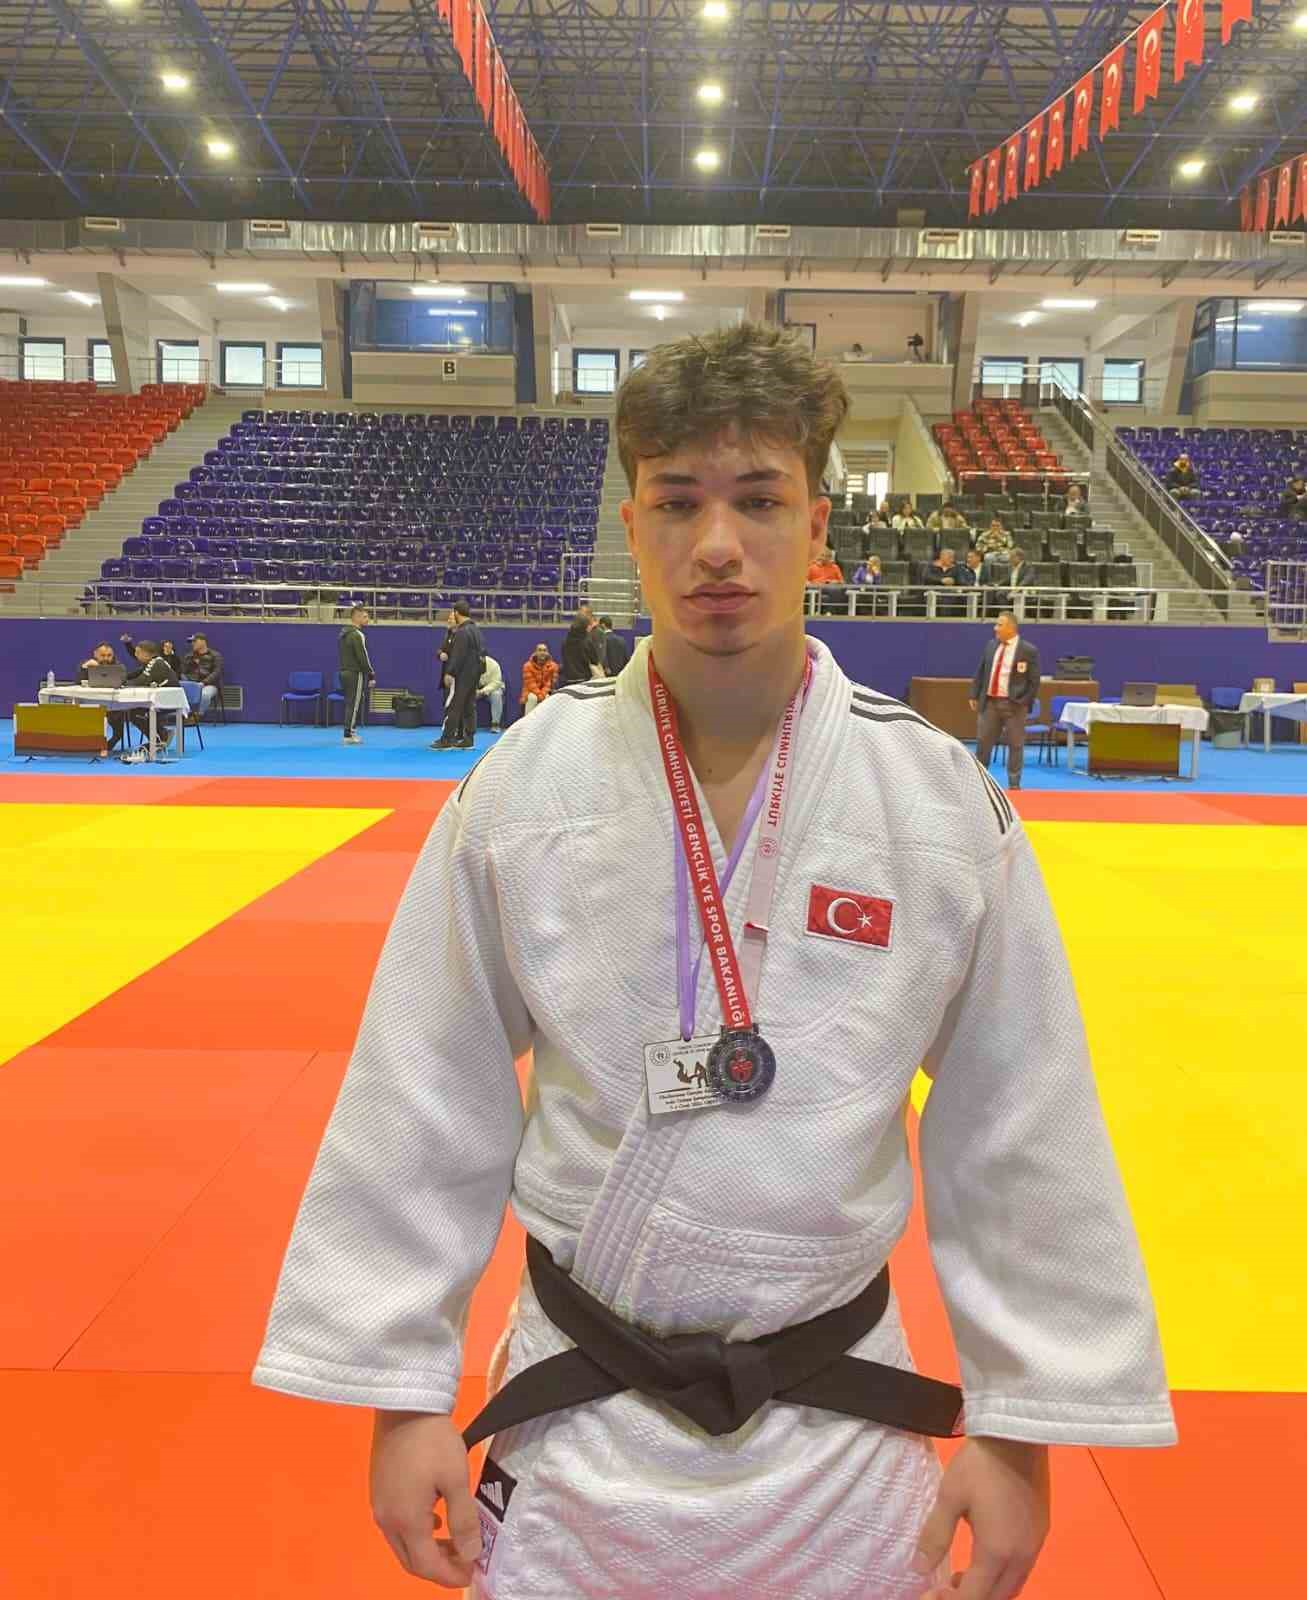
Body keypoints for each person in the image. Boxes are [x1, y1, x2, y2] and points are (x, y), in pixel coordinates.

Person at [253, 323, 1174, 1600]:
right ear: (631, 526)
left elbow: (1021, 1120)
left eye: (759, 499)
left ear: (818, 526)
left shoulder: (934, 801)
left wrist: (1020, 1429)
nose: (718, 544)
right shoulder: (523, 787)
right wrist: (399, 1394)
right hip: (576, 1416)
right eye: (677, 501)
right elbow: (422, 1090)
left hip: (840, 1427)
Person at [970, 610, 1041, 791]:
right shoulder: (991, 646)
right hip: (990, 703)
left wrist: (1023, 701)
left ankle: (1014, 783)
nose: (995, 628)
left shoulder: (1028, 650)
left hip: (1014, 705)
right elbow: (981, 671)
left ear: (1011, 628)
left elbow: (1034, 681)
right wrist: (974, 694)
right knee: (983, 742)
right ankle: (980, 781)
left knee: (1016, 745)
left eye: (1000, 625)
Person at [431, 602, 481, 751]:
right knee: (469, 707)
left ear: (457, 613)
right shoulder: (476, 630)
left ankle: (447, 740)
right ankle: (468, 739)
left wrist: (450, 672)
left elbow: (458, 655)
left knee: (453, 706)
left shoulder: (462, 632)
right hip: (474, 675)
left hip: (462, 676)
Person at [120, 639, 181, 761]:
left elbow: (141, 681)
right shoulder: (150, 663)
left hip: (170, 701)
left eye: (138, 652)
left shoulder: (156, 663)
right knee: (135, 711)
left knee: (135, 713)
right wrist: (119, 680)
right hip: (160, 699)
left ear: (146, 654)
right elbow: (132, 676)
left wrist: (122, 684)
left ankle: (159, 738)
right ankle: (161, 735)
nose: (135, 655)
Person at [78, 641, 130, 750]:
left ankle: (110, 743)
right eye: (102, 655)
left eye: (109, 655)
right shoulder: (87, 665)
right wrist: (84, 669)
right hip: (92, 704)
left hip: (114, 704)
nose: (106, 658)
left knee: (117, 723)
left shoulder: (119, 667)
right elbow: (78, 683)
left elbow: (123, 681)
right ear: (95, 654)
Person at [338, 605, 375, 746]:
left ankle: (348, 732)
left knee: (350, 704)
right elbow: (363, 657)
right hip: (354, 673)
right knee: (354, 705)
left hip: (343, 672)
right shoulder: (358, 635)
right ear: (357, 617)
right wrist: (371, 674)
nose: (368, 619)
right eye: (365, 616)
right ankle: (349, 734)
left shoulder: (343, 634)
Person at [181, 632, 224, 716]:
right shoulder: (189, 656)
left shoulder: (215, 655)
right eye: (192, 642)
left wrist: (204, 682)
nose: (193, 644)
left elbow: (217, 672)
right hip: (192, 684)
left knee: (205, 695)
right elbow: (183, 672)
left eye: (195, 641)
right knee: (180, 692)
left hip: (209, 684)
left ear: (203, 642)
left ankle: (198, 715)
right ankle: (186, 715)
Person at [559, 610, 604, 687]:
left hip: (567, 681)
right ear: (585, 627)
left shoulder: (565, 642)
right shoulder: (587, 642)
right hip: (583, 681)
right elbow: (595, 662)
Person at [520, 642, 558, 714]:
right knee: (532, 698)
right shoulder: (527, 666)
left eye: (544, 650)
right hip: (530, 692)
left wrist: (542, 695)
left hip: (545, 693)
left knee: (547, 698)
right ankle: (528, 720)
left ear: (547, 653)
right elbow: (531, 684)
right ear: (535, 652)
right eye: (540, 650)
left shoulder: (554, 666)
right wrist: (540, 695)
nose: (542, 653)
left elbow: (549, 683)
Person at [477, 654, 506, 734]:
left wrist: (482, 691)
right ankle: (462, 725)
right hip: (476, 689)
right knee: (463, 694)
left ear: (483, 658)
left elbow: (496, 683)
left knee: (496, 694)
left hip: (492, 688)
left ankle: (495, 724)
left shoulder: (494, 665)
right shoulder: (469, 663)